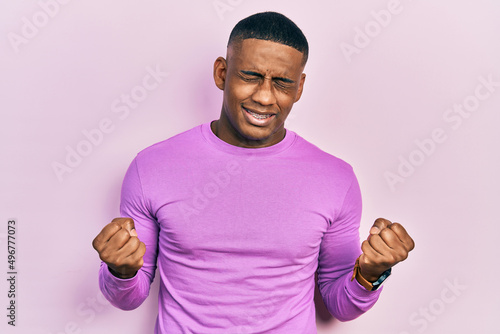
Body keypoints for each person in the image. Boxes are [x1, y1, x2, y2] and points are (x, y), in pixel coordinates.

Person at [92, 11, 415, 334]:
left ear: (299, 87)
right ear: (222, 73)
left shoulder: (336, 179)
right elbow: (128, 298)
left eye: (282, 82)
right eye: (250, 76)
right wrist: (120, 271)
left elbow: (339, 305)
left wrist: (371, 274)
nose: (264, 96)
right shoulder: (152, 167)